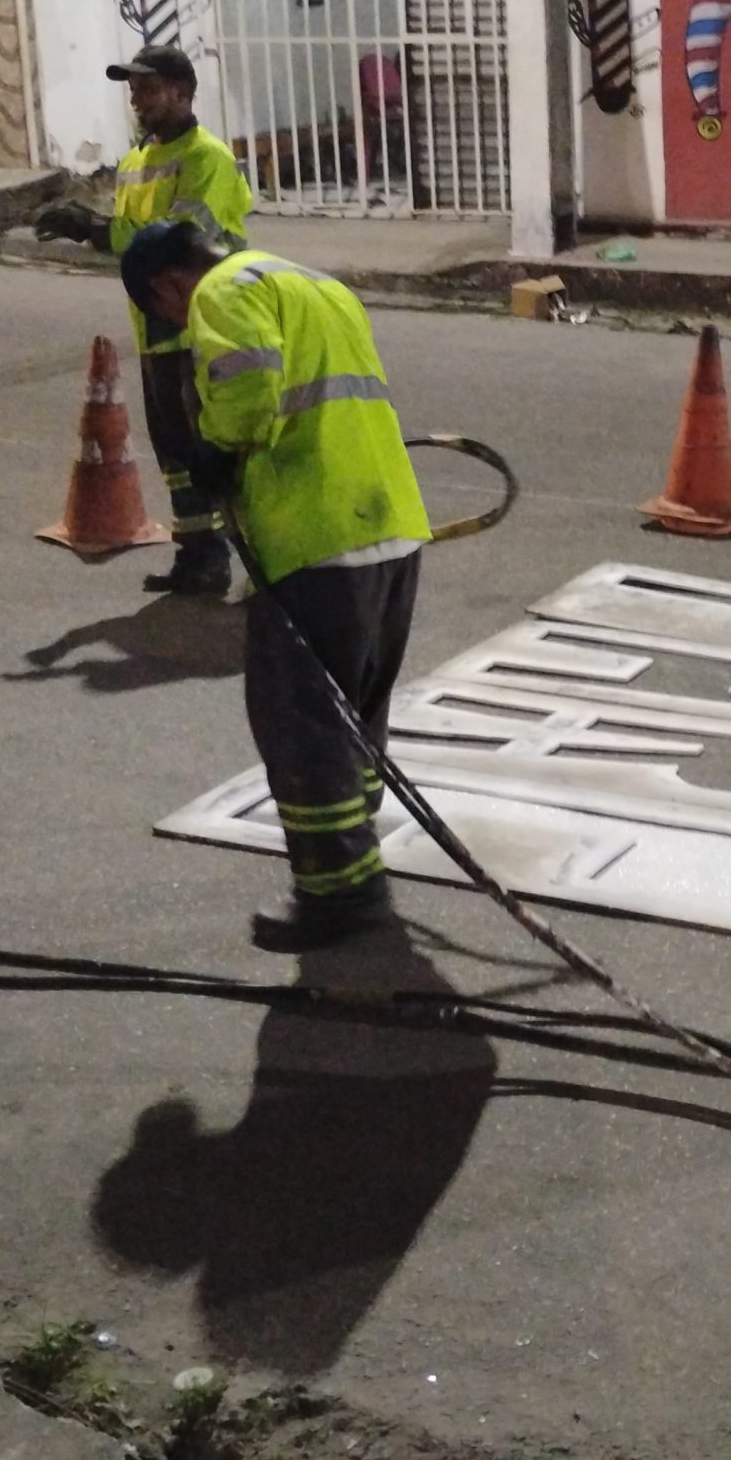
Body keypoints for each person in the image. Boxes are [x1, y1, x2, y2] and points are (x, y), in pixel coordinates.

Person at [120, 220, 431, 950]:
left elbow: (249, 389)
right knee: (357, 709)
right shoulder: (316, 284)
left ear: (168, 284)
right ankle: (356, 859)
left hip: (313, 534)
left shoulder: (222, 292)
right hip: (388, 523)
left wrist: (214, 447)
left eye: (167, 315)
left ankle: (337, 892)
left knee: (301, 719)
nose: (180, 327)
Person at [35, 47, 253, 597]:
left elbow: (179, 240)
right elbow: (133, 240)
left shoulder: (207, 158)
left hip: (203, 319)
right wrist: (96, 229)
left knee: (216, 447)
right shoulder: (136, 160)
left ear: (184, 92)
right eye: (134, 91)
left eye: (149, 89)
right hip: (156, 320)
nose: (138, 100)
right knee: (174, 450)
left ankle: (257, 562)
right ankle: (199, 556)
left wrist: (92, 228)